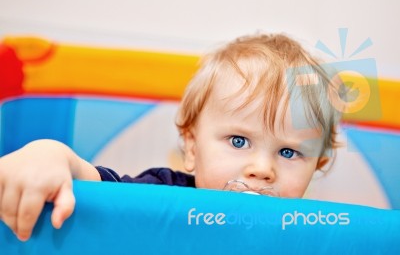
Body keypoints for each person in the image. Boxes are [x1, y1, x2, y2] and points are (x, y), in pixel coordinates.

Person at [0, 33, 343, 241]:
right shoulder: (164, 195)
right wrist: (49, 154)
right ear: (192, 147)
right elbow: (98, 187)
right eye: (239, 141)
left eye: (288, 152)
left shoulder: (310, 231)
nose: (262, 169)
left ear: (317, 165)